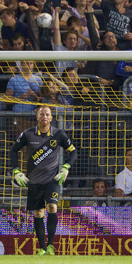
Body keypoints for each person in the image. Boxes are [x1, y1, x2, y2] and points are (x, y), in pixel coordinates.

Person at [10, 106, 78, 255]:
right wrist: (16, 171)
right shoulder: (28, 134)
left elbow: (73, 151)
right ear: (37, 117)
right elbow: (13, 150)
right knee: (38, 213)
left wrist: (66, 167)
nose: (44, 117)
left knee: (52, 207)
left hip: (52, 180)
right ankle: (42, 248)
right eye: (42, 114)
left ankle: (51, 245)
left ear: (51, 118)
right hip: (33, 181)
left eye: (47, 115)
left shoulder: (59, 134)